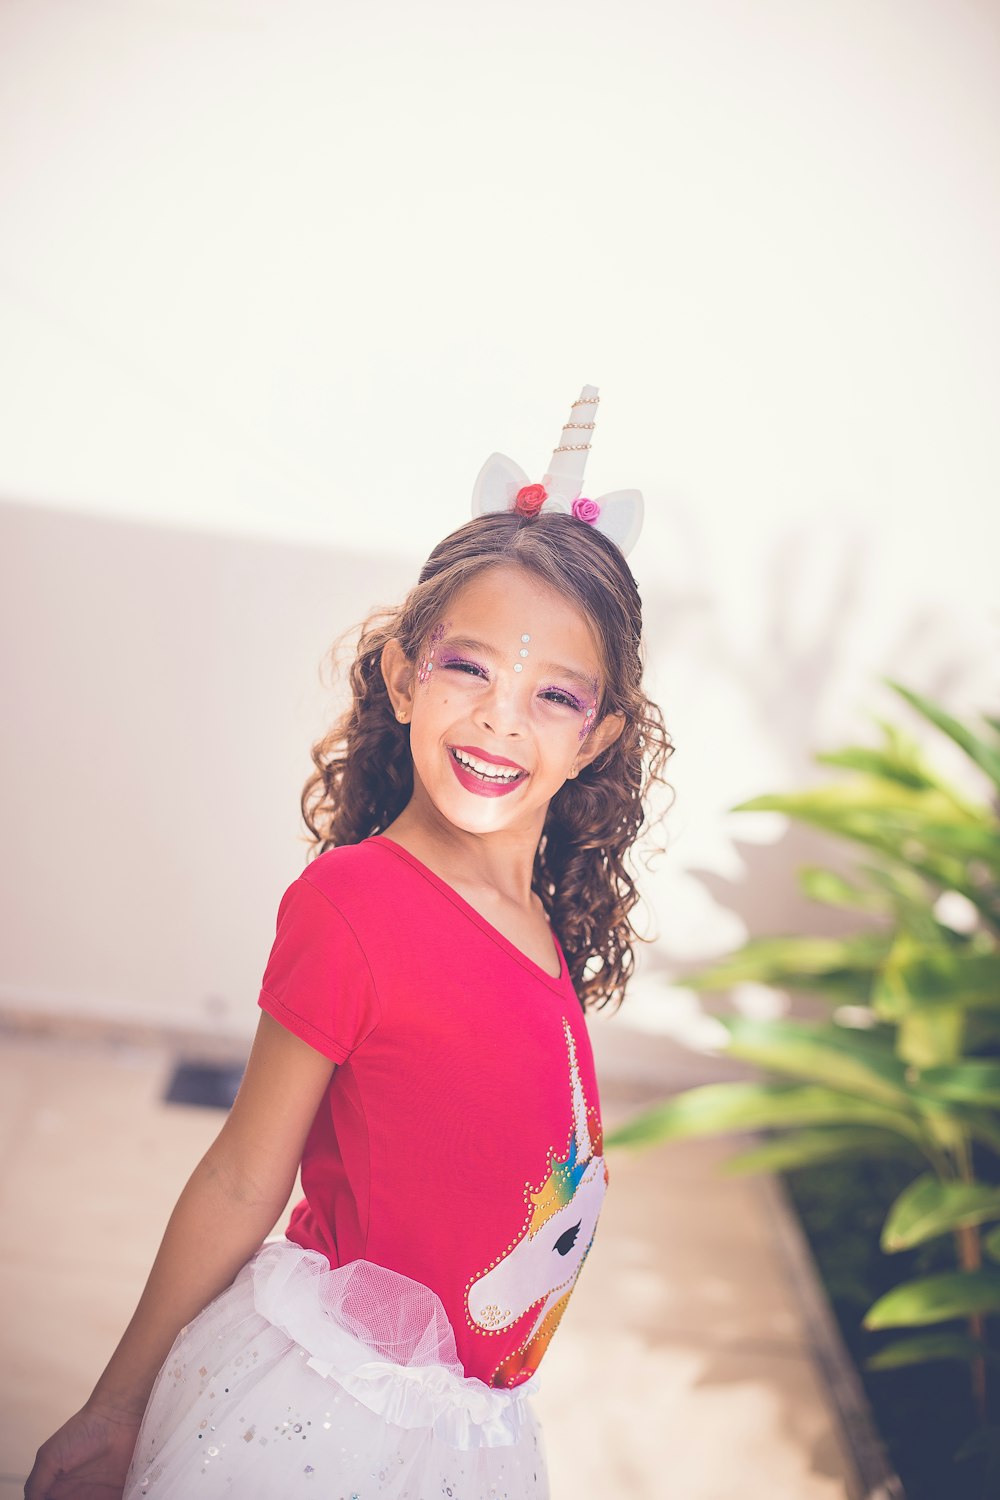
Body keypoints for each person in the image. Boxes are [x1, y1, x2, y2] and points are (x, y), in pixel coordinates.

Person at [26, 386, 672, 1500]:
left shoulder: (538, 921)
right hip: (337, 1408)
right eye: (469, 666)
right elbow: (241, 1175)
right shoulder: (357, 902)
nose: (500, 718)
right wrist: (120, 1402)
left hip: (465, 1430)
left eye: (553, 694)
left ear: (598, 737)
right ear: (403, 671)